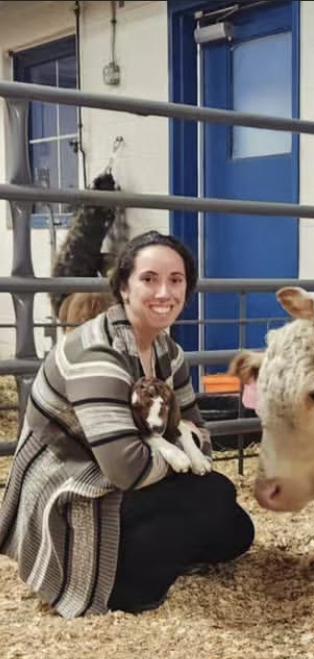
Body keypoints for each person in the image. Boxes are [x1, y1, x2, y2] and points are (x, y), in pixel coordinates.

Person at [0, 230, 255, 618]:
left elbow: (200, 434)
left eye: (176, 280)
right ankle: (112, 584)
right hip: (74, 491)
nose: (164, 292)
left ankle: (155, 548)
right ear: (123, 287)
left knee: (232, 521)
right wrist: (176, 448)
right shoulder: (96, 355)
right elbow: (125, 468)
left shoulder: (169, 354)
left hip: (128, 475)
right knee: (206, 499)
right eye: (149, 279)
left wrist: (176, 447)